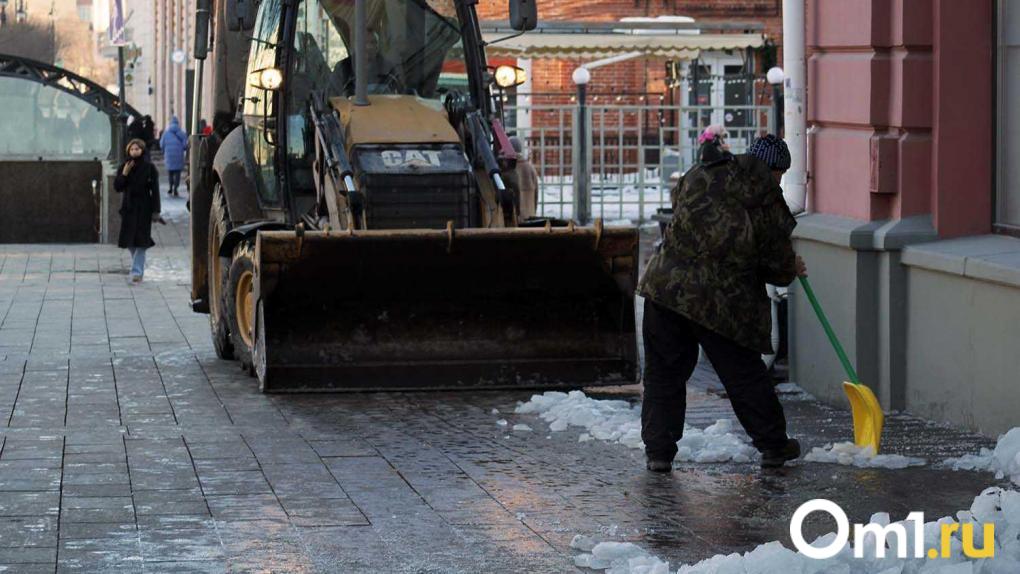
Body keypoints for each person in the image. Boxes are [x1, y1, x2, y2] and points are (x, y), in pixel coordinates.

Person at [637, 134, 806, 471]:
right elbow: (775, 260)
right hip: (719, 301)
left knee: (663, 374)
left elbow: (688, 220)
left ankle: (659, 452)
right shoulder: (764, 194)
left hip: (665, 287)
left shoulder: (700, 173)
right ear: (774, 170)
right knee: (743, 374)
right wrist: (791, 267)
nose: (779, 181)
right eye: (781, 174)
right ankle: (774, 445)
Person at [115, 139, 161, 284]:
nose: (134, 151)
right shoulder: (124, 166)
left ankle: (137, 272)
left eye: (137, 149)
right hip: (128, 208)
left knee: (142, 241)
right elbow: (118, 187)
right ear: (128, 151)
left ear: (142, 150)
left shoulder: (149, 168)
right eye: (132, 149)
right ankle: (137, 267)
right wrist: (124, 174)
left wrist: (156, 210)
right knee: (129, 242)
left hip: (144, 208)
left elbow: (155, 190)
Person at [508, 137, 539, 219]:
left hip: (515, 218)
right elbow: (536, 194)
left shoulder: (509, 168)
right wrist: (533, 211)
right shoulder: (530, 168)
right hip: (530, 217)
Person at [159, 116, 188, 197]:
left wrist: (164, 151)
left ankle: (170, 187)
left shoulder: (165, 133)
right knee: (177, 173)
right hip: (178, 156)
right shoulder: (181, 133)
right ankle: (175, 188)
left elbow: (161, 144)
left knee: (170, 173)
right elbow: (185, 144)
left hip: (169, 156)